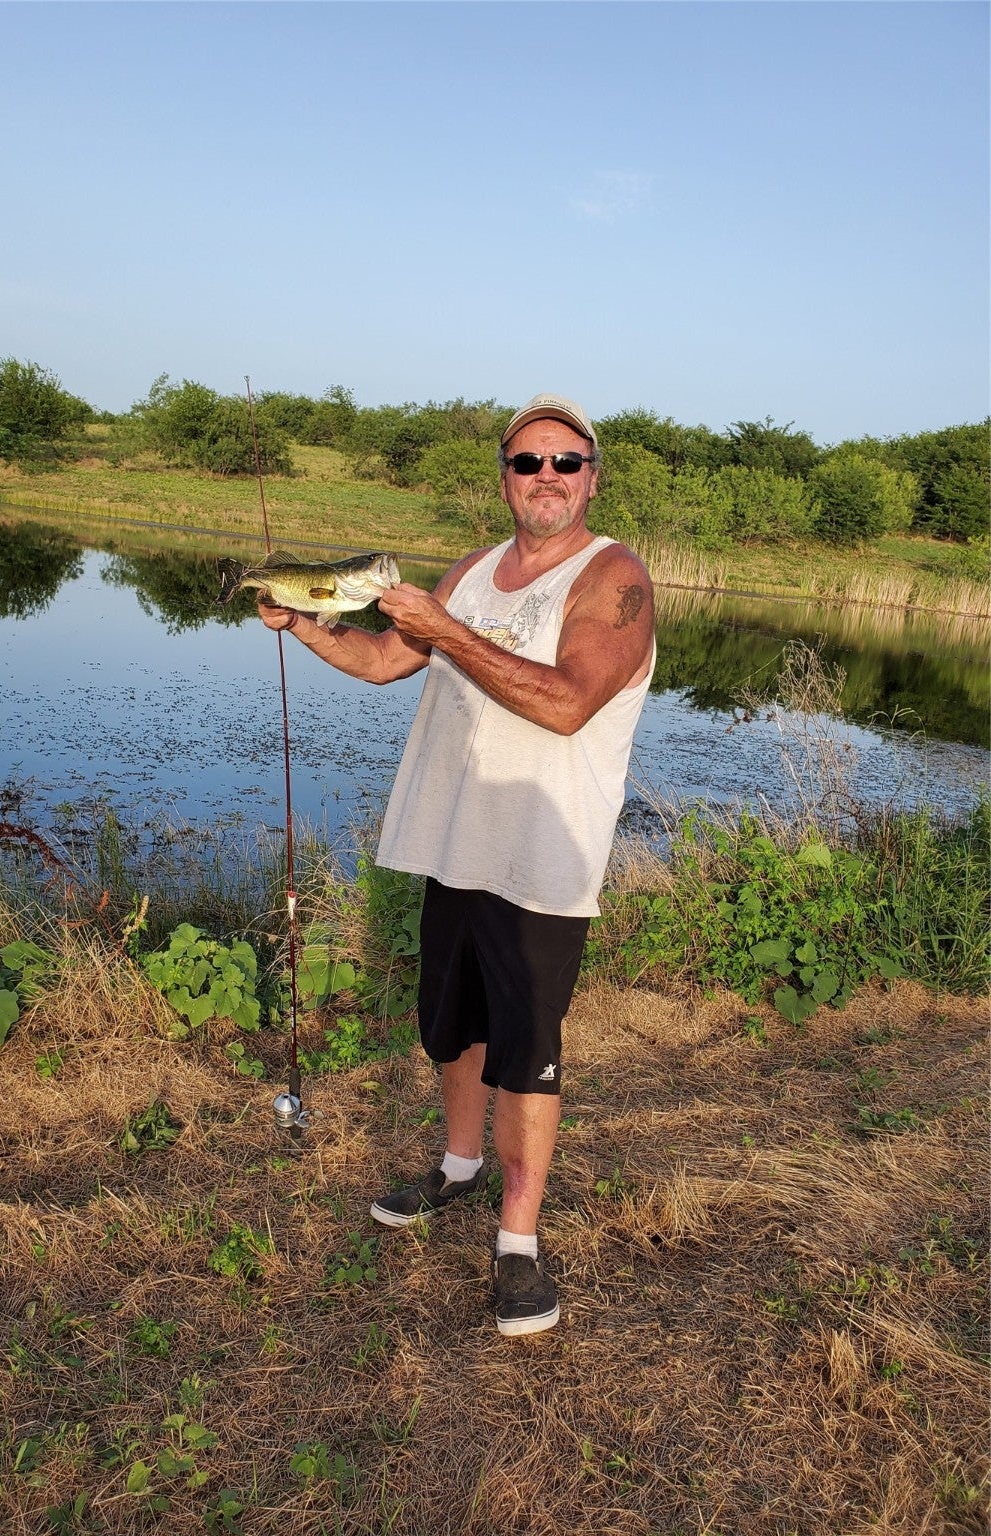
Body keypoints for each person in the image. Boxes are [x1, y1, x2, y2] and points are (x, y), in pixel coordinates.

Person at [258, 393, 655, 1336]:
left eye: (566, 462)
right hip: (454, 845)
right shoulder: (472, 571)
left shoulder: (612, 580)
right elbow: (388, 660)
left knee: (526, 1054)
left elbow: (565, 704)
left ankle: (518, 1242)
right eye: (528, 464)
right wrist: (306, 626)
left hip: (539, 865)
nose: (546, 479)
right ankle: (459, 1164)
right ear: (506, 478)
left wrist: (448, 633)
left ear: (592, 475)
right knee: (454, 1025)